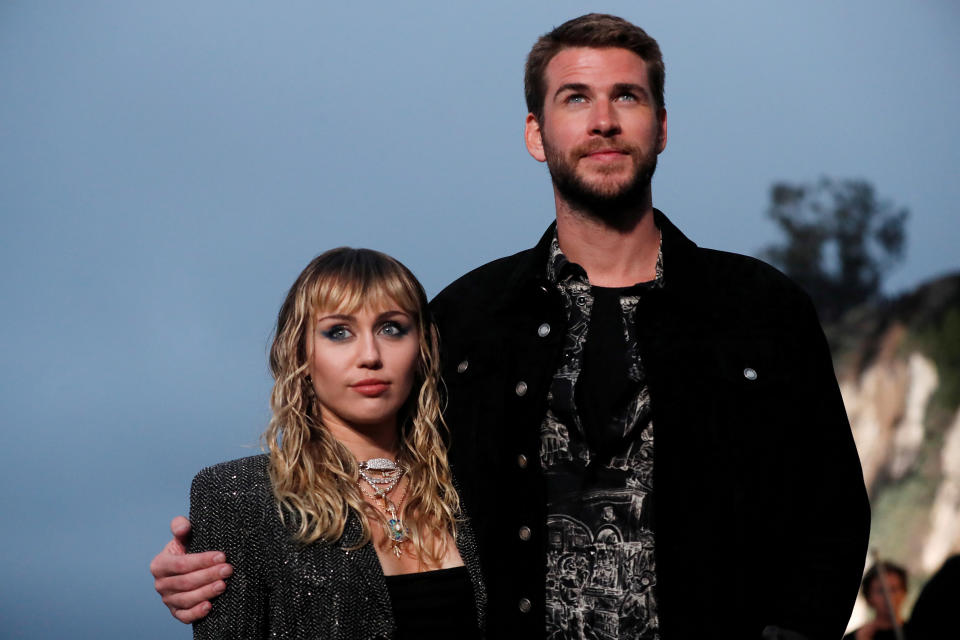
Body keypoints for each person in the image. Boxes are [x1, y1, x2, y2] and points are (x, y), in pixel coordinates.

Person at [152, 14, 870, 639]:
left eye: (628, 96)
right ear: (537, 132)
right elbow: (369, 471)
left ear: (661, 127)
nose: (604, 120)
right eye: (575, 98)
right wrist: (220, 558)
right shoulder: (466, 317)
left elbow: (832, 512)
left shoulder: (761, 307)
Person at [173, 247, 485, 638]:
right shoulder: (239, 496)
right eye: (339, 332)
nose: (370, 355)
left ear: (422, 350)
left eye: (392, 328)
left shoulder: (471, 487)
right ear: (300, 352)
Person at [843, 561, 908, 640]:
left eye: (894, 589)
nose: (888, 597)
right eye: (881, 591)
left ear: (904, 592)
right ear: (868, 597)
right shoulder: (856, 637)